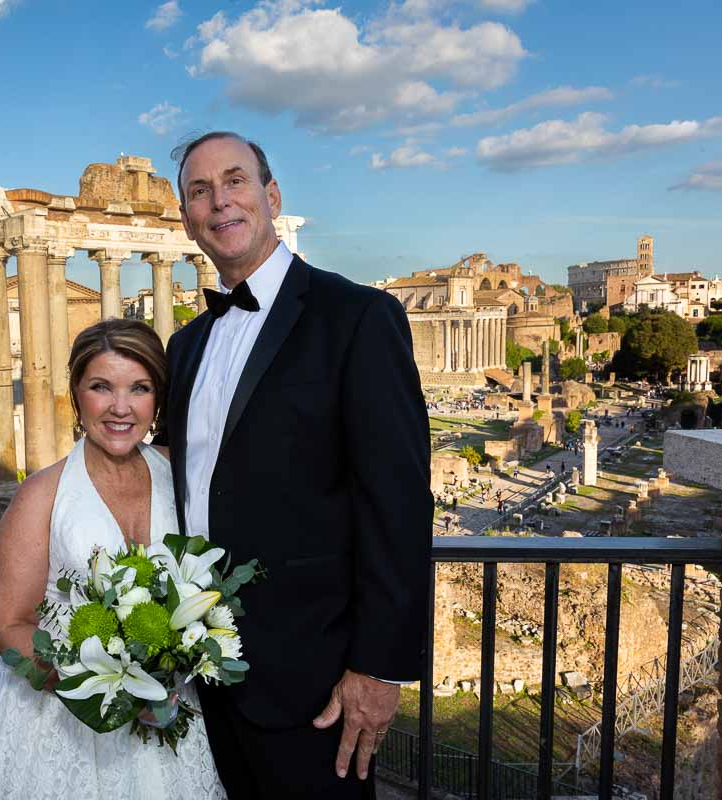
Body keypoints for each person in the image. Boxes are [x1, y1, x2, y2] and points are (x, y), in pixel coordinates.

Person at [157, 131, 432, 798]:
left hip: (317, 678)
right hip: (205, 676)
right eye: (199, 191)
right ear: (189, 220)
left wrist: (379, 668)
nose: (219, 201)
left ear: (271, 196)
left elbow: (396, 500)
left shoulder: (358, 316)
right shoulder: (186, 343)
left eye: (235, 181)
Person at [0, 319, 224, 799]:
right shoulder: (41, 494)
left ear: (157, 399)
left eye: (139, 388)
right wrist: (100, 689)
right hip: (59, 723)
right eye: (101, 387)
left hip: (173, 709)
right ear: (76, 396)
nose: (120, 407)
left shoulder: (182, 477)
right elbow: (8, 628)